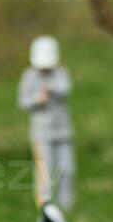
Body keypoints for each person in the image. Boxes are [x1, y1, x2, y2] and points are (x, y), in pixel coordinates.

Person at [18, 35, 75, 210]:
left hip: (63, 131)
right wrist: (37, 100)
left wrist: (51, 89)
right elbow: (22, 101)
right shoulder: (29, 76)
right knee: (45, 171)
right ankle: (46, 206)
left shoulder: (61, 73)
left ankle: (67, 205)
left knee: (67, 169)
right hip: (41, 134)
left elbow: (66, 89)